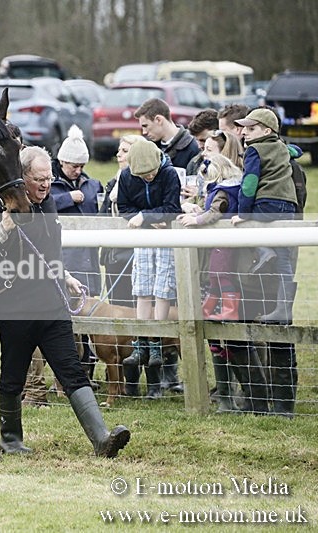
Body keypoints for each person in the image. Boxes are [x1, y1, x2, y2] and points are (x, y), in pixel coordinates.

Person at [0, 145, 130, 457]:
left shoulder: (48, 205)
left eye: (48, 178)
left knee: (71, 369)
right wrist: (4, 227)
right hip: (15, 308)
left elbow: (48, 252)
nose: (46, 184)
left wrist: (65, 274)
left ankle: (101, 439)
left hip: (52, 306)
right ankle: (11, 439)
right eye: (39, 179)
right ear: (21, 178)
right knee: (13, 375)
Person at [231, 108, 299, 418]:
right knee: (284, 262)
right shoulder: (283, 147)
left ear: (266, 130)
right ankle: (283, 308)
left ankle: (263, 249)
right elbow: (296, 151)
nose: (244, 133)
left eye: (251, 128)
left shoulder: (254, 152)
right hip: (288, 206)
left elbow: (249, 183)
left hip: (265, 203)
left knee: (251, 231)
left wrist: (243, 212)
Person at [177, 155, 245, 413]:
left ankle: (228, 306)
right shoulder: (222, 189)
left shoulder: (223, 191)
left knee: (220, 273)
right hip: (217, 244)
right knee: (214, 275)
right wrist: (198, 210)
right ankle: (213, 304)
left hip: (221, 244)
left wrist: (197, 219)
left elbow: (216, 212)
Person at [117, 139, 182, 399]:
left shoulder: (169, 174)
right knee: (142, 287)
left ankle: (156, 340)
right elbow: (125, 208)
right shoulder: (126, 177)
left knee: (162, 287)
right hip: (143, 236)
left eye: (151, 173)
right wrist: (147, 220)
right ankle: (141, 341)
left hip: (164, 236)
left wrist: (147, 216)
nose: (148, 177)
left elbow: (172, 207)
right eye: (143, 175)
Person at [48, 124, 102, 383]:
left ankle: (88, 371)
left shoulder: (92, 184)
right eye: (73, 166)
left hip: (89, 259)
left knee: (89, 314)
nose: (78, 170)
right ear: (62, 162)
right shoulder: (50, 185)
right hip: (65, 259)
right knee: (65, 321)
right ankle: (66, 376)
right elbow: (42, 204)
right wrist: (69, 198)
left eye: (81, 166)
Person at [99, 134, 144, 308]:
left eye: (125, 151)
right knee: (117, 307)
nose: (118, 155)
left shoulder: (146, 184)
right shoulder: (113, 183)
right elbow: (102, 217)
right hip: (113, 256)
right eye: (119, 150)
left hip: (137, 257)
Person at [134, 97, 200, 169]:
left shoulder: (193, 147)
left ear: (158, 120)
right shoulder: (149, 147)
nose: (144, 132)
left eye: (145, 126)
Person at [185, 109, 219, 176]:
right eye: (197, 140)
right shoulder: (194, 164)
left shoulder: (236, 162)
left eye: (203, 140)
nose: (199, 146)